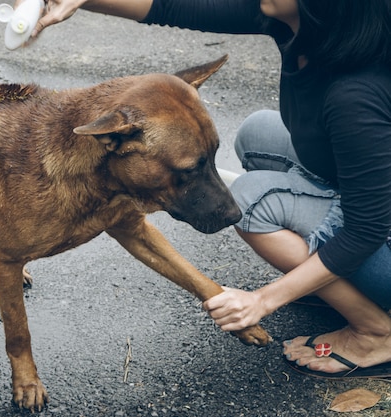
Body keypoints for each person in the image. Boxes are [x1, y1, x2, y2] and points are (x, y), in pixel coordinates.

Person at [23, 0, 391, 378]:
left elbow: (366, 231)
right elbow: (175, 5)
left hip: (382, 241)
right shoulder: (305, 27)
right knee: (258, 132)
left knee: (251, 201)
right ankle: (329, 281)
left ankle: (375, 332)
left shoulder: (355, 96)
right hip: (370, 198)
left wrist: (262, 301)